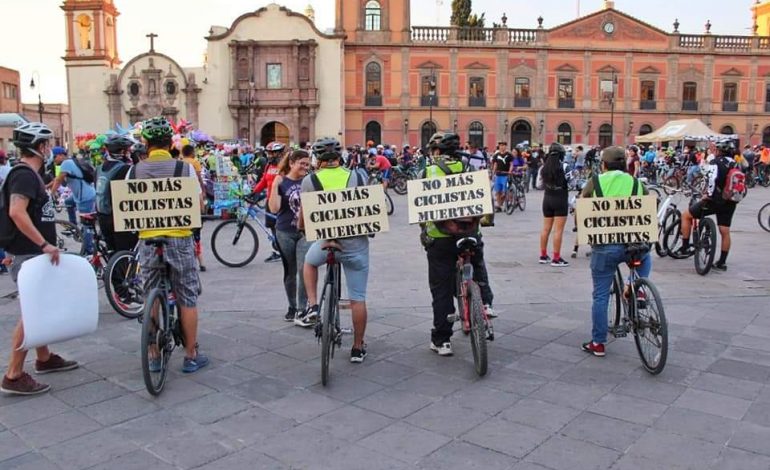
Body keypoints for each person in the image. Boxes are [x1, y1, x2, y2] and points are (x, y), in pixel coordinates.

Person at [2, 123, 78, 395]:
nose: (48, 149)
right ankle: (13, 374)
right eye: (45, 144)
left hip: (29, 252)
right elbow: (16, 212)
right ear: (37, 146)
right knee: (32, 312)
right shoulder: (23, 174)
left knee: (38, 307)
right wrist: (44, 244)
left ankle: (44, 359)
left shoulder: (31, 175)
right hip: (26, 252)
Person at [134, 117, 208, 373]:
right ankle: (190, 355)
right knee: (186, 295)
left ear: (146, 144)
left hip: (148, 239)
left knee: (150, 294)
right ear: (170, 143)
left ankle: (153, 354)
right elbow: (198, 206)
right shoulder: (183, 168)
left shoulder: (133, 170)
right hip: (178, 237)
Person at [420, 132, 495, 357]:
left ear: (436, 151)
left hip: (440, 239)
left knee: (441, 289)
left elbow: (422, 206)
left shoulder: (428, 171)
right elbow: (485, 203)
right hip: (470, 233)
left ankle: (442, 340)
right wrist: (485, 222)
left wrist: (424, 231)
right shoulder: (472, 168)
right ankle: (486, 304)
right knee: (477, 263)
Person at [299, 138, 371, 363]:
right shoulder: (359, 176)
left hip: (325, 244)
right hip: (354, 245)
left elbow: (303, 220)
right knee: (357, 298)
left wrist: (303, 227)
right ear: (340, 157)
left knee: (309, 263)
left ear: (318, 160)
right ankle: (358, 348)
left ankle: (312, 305)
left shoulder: (310, 180)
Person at [579, 146, 650, 357]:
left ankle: (598, 343)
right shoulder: (637, 183)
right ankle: (636, 286)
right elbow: (646, 205)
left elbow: (584, 203)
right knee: (646, 258)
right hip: (634, 246)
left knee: (600, 295)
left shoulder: (597, 181)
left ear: (604, 164)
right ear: (625, 164)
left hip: (605, 246)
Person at [675, 140, 739, 271]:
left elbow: (712, 179)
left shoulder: (716, 162)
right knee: (725, 231)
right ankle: (722, 262)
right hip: (730, 201)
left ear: (719, 151)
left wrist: (708, 195)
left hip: (714, 200)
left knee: (686, 216)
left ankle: (685, 247)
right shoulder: (735, 164)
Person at [269, 149, 311, 322]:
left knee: (303, 269)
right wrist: (275, 185)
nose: (305, 167)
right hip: (285, 231)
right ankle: (292, 306)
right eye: (302, 163)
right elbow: (274, 208)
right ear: (291, 163)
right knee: (290, 271)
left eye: (307, 164)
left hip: (305, 232)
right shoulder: (281, 181)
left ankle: (302, 308)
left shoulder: (309, 181)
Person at [96, 134, 137, 253]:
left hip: (103, 216)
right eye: (128, 150)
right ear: (123, 151)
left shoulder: (99, 168)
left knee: (112, 252)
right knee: (125, 252)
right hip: (118, 218)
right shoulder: (124, 169)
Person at [537, 143, 570, 267]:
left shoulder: (544, 167)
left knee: (545, 228)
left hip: (547, 198)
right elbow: (572, 183)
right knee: (558, 230)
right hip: (560, 197)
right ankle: (556, 258)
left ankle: (543, 255)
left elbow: (539, 185)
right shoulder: (565, 166)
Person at [252, 141, 284, 262]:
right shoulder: (268, 166)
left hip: (281, 202)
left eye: (272, 153)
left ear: (279, 153)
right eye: (268, 153)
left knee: (280, 228)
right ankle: (276, 251)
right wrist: (254, 192)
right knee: (272, 227)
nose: (269, 156)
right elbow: (264, 181)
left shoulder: (284, 166)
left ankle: (283, 250)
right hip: (270, 200)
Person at [182, 144, 207, 271]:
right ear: (191, 152)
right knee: (196, 235)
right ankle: (201, 262)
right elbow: (198, 178)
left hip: (183, 203)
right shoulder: (194, 162)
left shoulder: (179, 163)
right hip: (193, 200)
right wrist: (203, 191)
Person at [491, 141, 513, 211]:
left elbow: (511, 164)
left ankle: (504, 203)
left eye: (503, 145)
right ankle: (499, 206)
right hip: (498, 175)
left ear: (506, 146)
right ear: (499, 146)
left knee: (504, 192)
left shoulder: (509, 155)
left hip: (506, 175)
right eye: (501, 145)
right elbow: (495, 165)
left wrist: (510, 171)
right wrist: (493, 172)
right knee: (498, 192)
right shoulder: (496, 155)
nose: (502, 147)